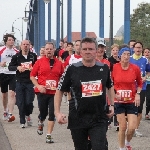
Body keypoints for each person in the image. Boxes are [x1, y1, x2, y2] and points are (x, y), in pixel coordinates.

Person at [54, 37, 114, 150]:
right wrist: (57, 113)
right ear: (80, 51)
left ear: (96, 51)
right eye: (85, 49)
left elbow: (110, 86)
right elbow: (59, 90)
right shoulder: (71, 69)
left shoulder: (104, 68)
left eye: (91, 49)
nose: (87, 52)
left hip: (99, 117)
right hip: (78, 117)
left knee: (100, 147)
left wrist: (112, 104)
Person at [30, 42, 64, 143]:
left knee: (52, 113)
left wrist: (63, 89)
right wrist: (38, 86)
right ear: (44, 50)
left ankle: (48, 135)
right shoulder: (39, 62)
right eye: (47, 49)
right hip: (42, 92)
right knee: (43, 113)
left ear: (54, 50)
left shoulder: (59, 63)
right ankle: (41, 121)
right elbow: (32, 76)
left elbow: (62, 77)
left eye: (51, 49)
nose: (49, 51)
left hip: (54, 93)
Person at [112, 47, 142, 150]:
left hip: (131, 100)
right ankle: (122, 148)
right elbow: (109, 83)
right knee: (123, 126)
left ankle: (127, 142)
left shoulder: (135, 68)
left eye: (128, 54)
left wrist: (138, 93)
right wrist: (114, 94)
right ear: (120, 56)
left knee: (132, 128)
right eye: (124, 54)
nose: (126, 56)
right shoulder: (114, 67)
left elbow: (140, 83)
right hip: (118, 101)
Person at [8, 40, 37, 128]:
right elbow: (10, 67)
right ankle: (22, 121)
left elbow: (38, 66)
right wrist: (18, 67)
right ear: (20, 46)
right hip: (19, 82)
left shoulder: (33, 56)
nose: (25, 46)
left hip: (30, 82)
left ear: (30, 46)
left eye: (27, 44)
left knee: (29, 101)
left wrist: (34, 69)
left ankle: (28, 115)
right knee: (20, 102)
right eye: (24, 44)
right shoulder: (16, 57)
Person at [130, 41, 150, 137]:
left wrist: (145, 77)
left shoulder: (145, 60)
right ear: (133, 48)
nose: (138, 49)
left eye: (140, 48)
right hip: (130, 87)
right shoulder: (129, 59)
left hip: (142, 87)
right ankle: (129, 127)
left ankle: (136, 129)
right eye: (136, 47)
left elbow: (148, 71)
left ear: (142, 49)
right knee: (129, 108)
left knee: (139, 109)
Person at [0, 34, 19, 122]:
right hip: (3, 73)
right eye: (10, 40)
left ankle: (10, 114)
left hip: (13, 73)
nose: (11, 41)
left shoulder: (16, 51)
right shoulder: (1, 50)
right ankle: (5, 110)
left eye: (12, 40)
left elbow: (20, 61)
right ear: (6, 41)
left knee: (12, 94)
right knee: (4, 94)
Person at [143, 48, 150, 119]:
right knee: (148, 99)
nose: (147, 53)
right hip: (146, 83)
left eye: (148, 52)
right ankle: (147, 113)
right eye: (145, 52)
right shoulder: (142, 61)